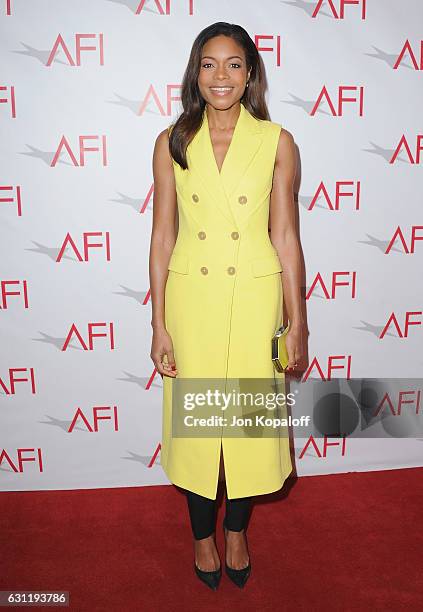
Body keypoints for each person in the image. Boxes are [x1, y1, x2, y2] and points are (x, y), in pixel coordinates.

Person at [149, 22, 304, 591]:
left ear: (251, 73)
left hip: (256, 297)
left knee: (247, 430)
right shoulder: (172, 141)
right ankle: (202, 537)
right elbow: (162, 237)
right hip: (193, 299)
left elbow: (285, 236)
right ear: (195, 72)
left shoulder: (277, 141)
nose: (221, 76)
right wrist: (159, 324)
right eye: (209, 64)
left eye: (234, 64)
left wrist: (298, 324)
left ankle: (236, 531)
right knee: (195, 431)